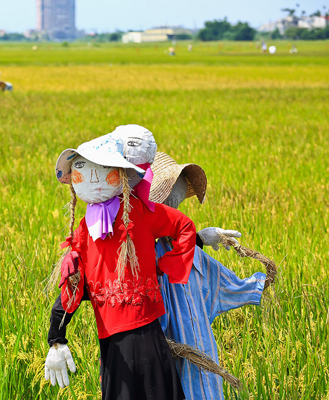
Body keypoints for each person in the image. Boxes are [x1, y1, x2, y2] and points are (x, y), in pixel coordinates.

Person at [47, 125, 196, 400]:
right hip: (112, 338)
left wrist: (165, 267)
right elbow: (73, 284)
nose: (92, 177)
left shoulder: (141, 213)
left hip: (146, 329)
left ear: (123, 175)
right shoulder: (84, 230)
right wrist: (56, 336)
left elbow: (184, 227)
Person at [151, 152, 266, 400]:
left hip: (198, 351)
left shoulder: (188, 251)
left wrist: (258, 285)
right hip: (159, 353)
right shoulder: (138, 251)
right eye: (169, 203)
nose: (175, 209)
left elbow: (222, 283)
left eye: (177, 202)